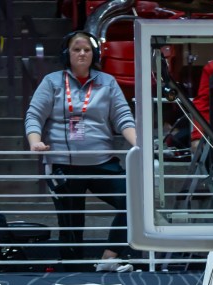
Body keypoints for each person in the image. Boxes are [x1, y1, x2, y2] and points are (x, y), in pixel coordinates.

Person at [25, 31, 137, 272]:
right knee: (71, 225)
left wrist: (138, 144)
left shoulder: (108, 82)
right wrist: (35, 141)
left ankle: (109, 257)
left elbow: (123, 117)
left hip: (102, 163)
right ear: (67, 53)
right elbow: (34, 115)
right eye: (77, 49)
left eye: (87, 49)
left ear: (95, 53)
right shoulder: (52, 82)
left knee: (135, 200)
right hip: (64, 165)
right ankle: (71, 272)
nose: (82, 54)